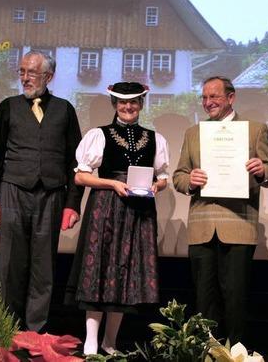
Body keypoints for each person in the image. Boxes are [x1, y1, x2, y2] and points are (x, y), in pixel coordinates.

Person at [64, 81, 169, 355]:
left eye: (133, 102)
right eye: (123, 102)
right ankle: (90, 341)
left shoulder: (154, 138)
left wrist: (157, 186)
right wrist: (112, 184)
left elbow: (163, 177)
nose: (128, 107)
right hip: (107, 208)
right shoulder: (99, 135)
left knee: (125, 273)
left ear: (141, 105)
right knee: (99, 268)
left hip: (138, 210)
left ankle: (109, 342)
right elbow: (80, 176)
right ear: (115, 105)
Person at [172, 76, 268, 345]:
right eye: (204, 98)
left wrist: (263, 170)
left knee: (236, 299)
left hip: (238, 225)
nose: (208, 103)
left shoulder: (254, 130)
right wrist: (189, 180)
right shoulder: (193, 133)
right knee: (204, 300)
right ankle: (207, 351)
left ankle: (236, 353)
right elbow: (179, 176)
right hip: (202, 227)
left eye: (214, 97)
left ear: (231, 98)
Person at [0, 50, 83, 332]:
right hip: (13, 190)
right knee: (11, 267)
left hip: (51, 194)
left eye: (32, 73)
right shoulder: (8, 106)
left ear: (48, 76)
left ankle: (35, 332)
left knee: (44, 269)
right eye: (22, 72)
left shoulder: (64, 109)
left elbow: (75, 162)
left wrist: (72, 203)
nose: (25, 78)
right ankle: (7, 330)